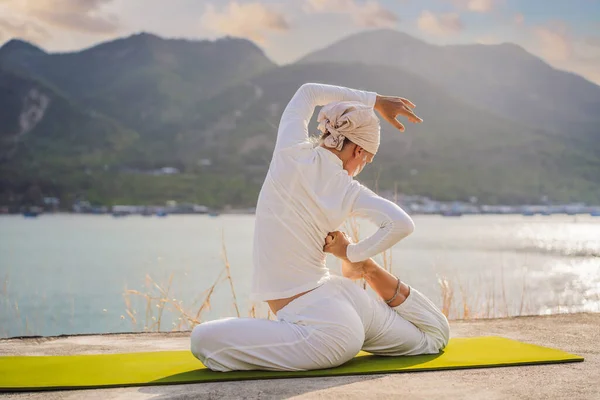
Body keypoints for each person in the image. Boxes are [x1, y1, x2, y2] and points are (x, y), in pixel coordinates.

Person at [190, 83, 450, 372]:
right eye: (367, 159)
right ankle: (369, 269)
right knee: (434, 338)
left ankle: (366, 268)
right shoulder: (347, 188)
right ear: (359, 152)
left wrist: (376, 101)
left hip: (327, 324)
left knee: (202, 340)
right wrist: (351, 253)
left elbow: (307, 92)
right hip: (340, 300)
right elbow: (401, 224)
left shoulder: (289, 150)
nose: (362, 166)